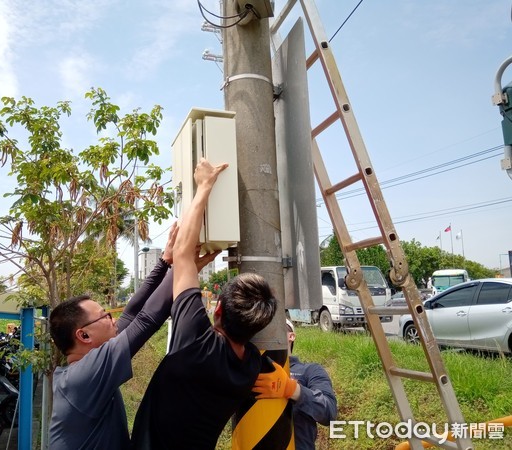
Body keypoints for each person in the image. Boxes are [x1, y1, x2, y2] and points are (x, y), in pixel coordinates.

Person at [131, 158, 278, 450]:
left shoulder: (196, 340)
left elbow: (182, 253)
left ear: (219, 310)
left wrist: (205, 186)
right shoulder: (248, 366)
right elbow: (184, 258)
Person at [48, 223, 217, 450]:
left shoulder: (80, 369)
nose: (113, 319)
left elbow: (131, 314)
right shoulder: (82, 377)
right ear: (84, 335)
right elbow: (146, 320)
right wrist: (183, 263)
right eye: (105, 316)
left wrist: (166, 261)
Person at [254, 319, 338, 449]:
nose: (267, 332)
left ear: (291, 336)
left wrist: (293, 390)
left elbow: (329, 412)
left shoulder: (310, 370)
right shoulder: (247, 372)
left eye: (275, 326)